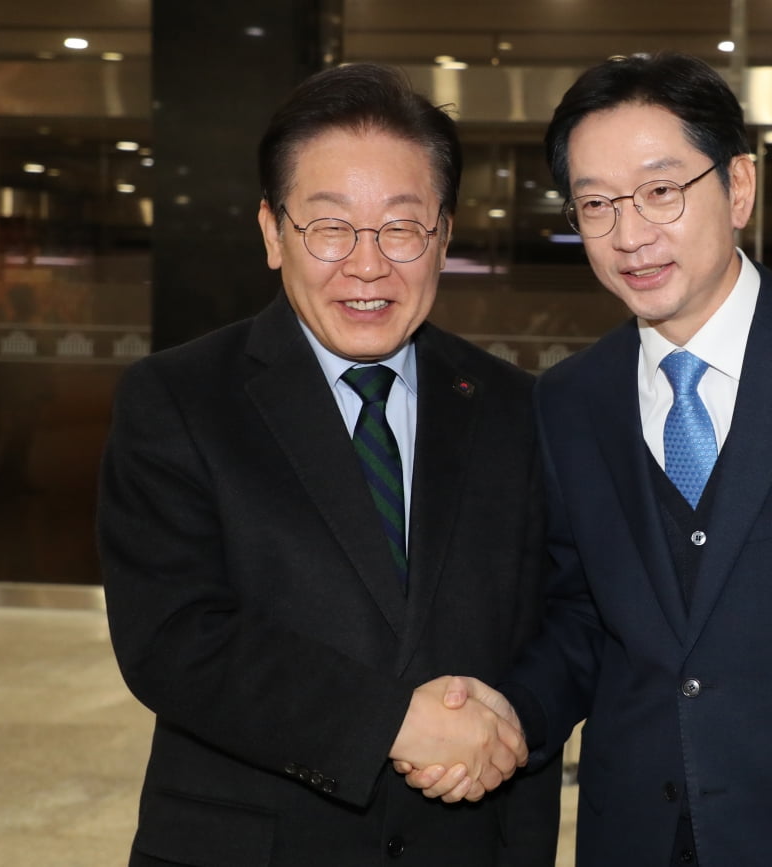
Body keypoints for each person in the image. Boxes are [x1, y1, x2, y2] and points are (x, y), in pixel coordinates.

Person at [406, 52, 772, 866]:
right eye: (596, 204)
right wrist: (510, 712)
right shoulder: (571, 400)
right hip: (632, 838)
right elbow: (585, 619)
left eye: (660, 190)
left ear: (738, 187)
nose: (629, 234)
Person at [97, 63, 560, 866]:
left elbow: (565, 610)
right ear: (273, 233)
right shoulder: (178, 398)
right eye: (330, 226)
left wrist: (505, 723)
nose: (368, 265)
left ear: (444, 235)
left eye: (401, 226)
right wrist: (391, 721)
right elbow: (172, 635)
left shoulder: (516, 408)